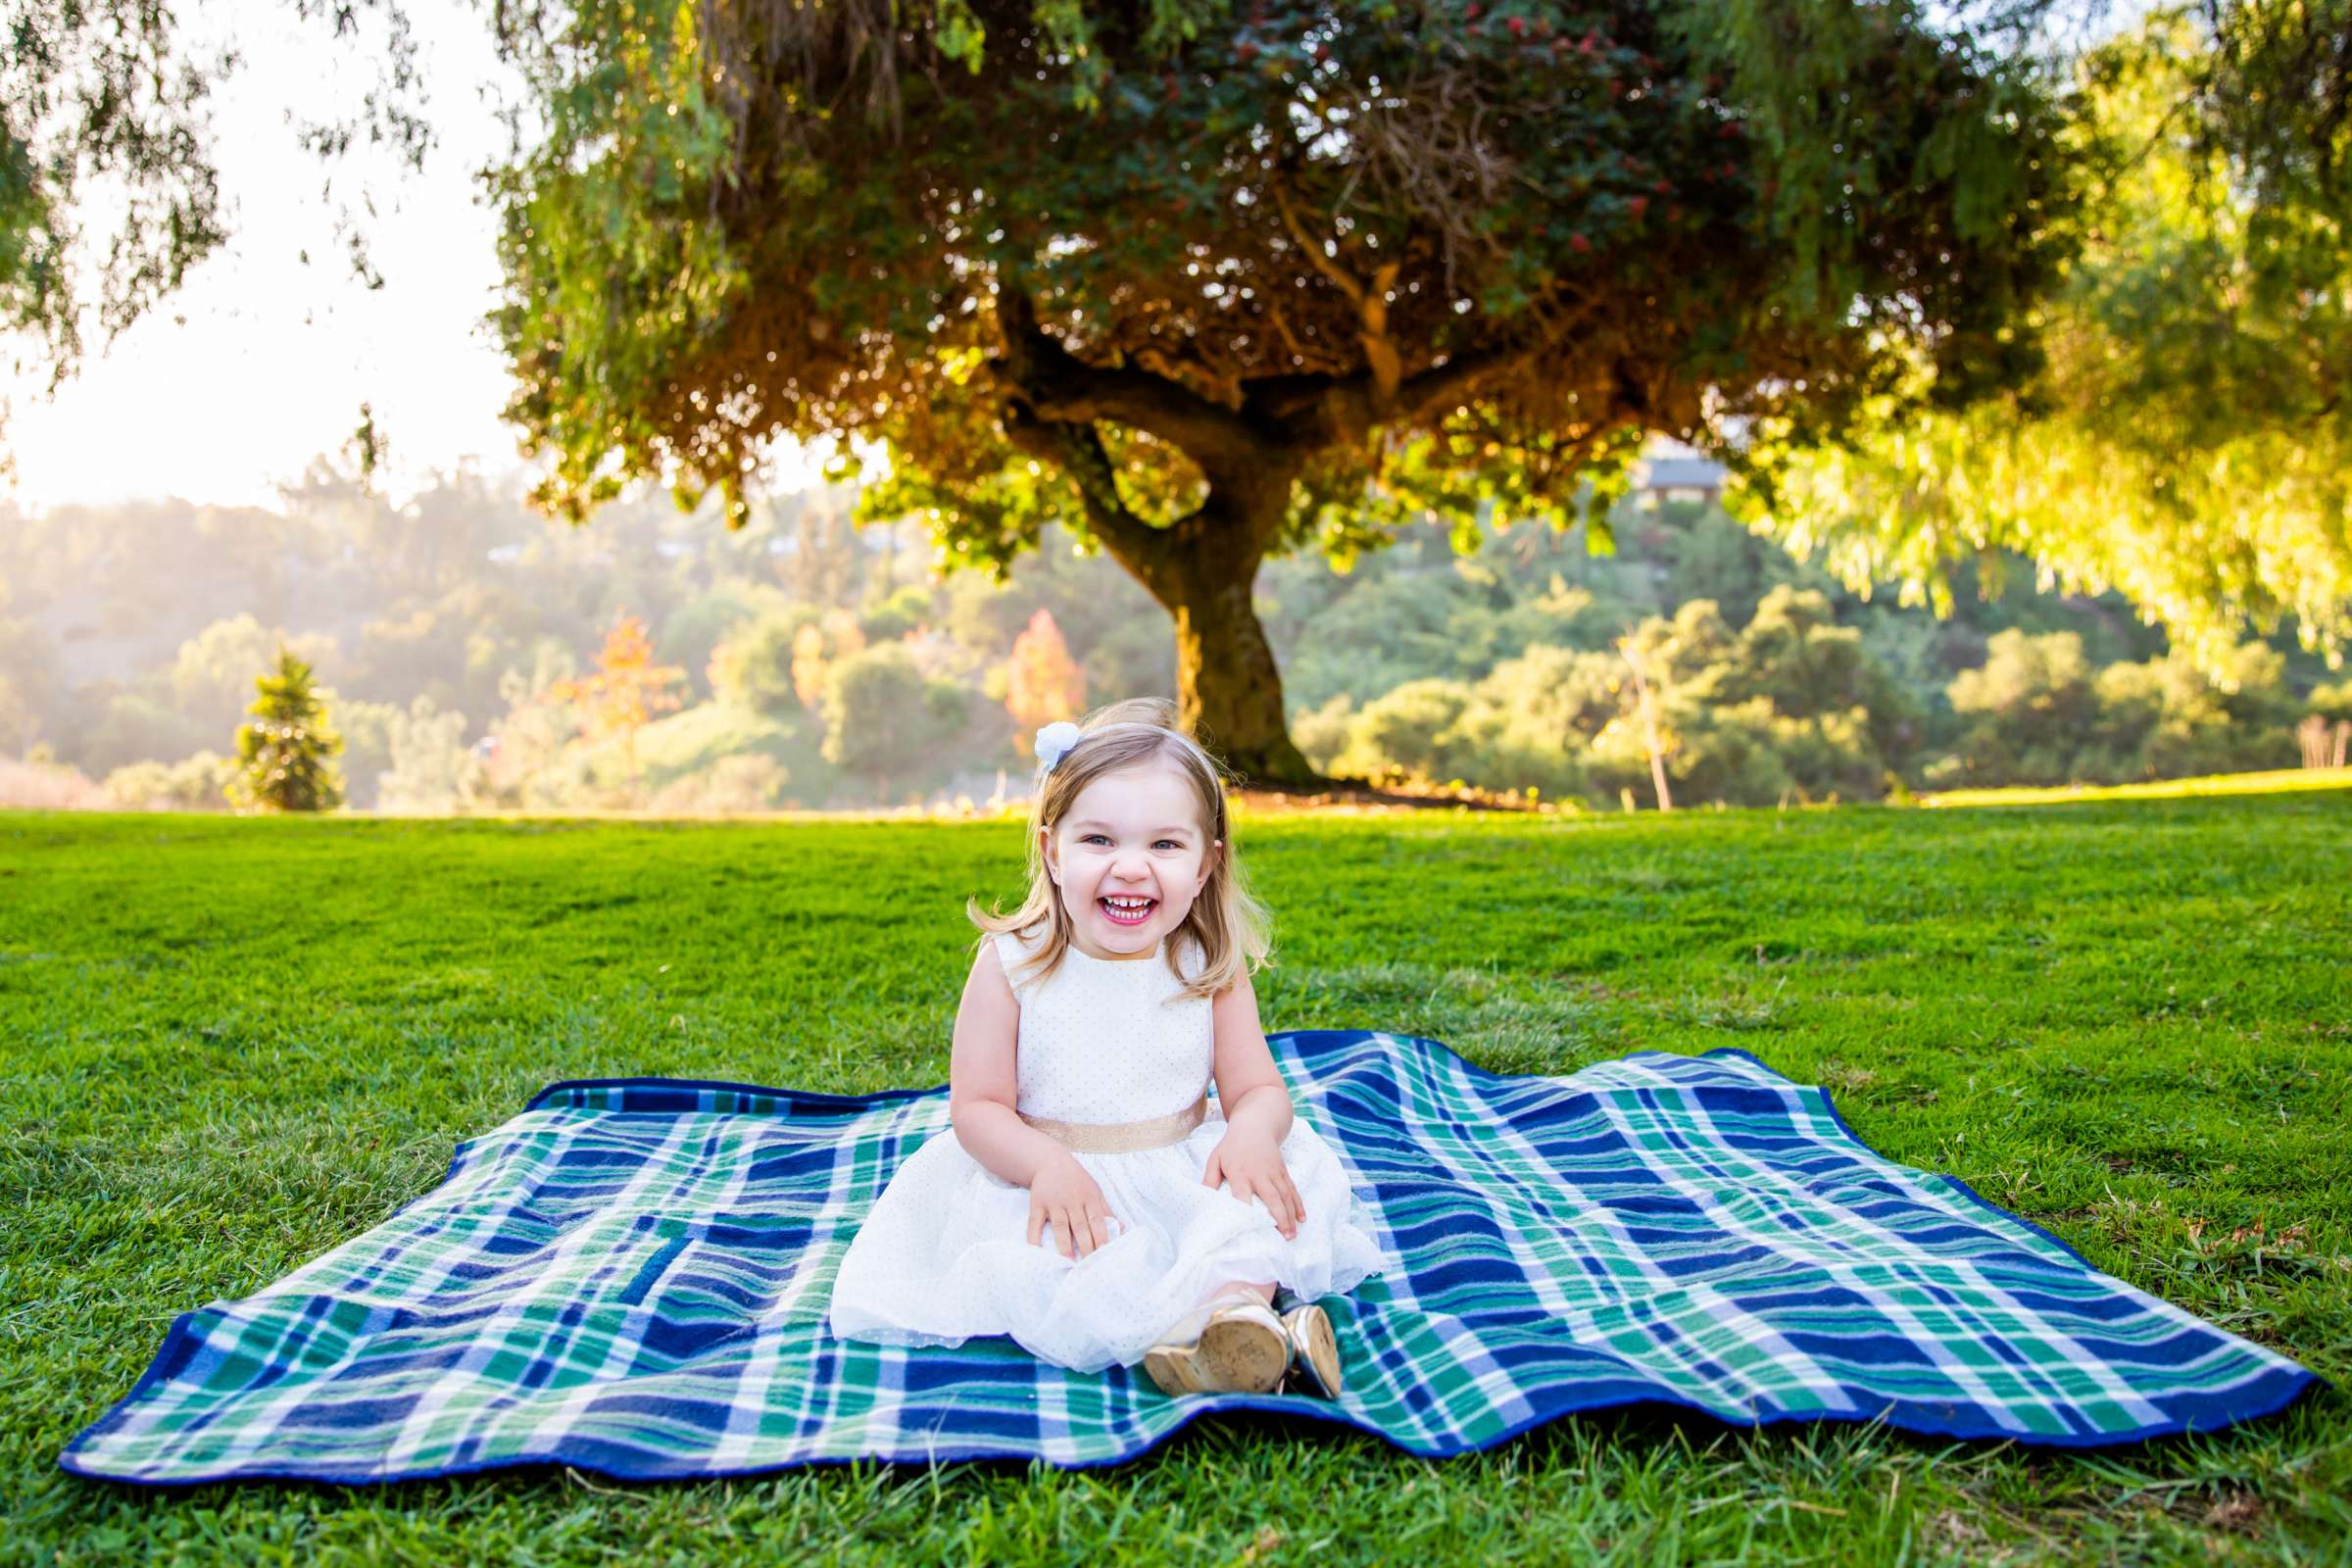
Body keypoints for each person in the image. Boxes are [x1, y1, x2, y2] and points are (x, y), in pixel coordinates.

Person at [826, 698, 1386, 1396]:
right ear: (1050, 850)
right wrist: (1044, 1166)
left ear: (1206, 865)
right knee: (1061, 1263)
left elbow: (1260, 1091)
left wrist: (1249, 1133)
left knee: (1247, 1219)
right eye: (1098, 841)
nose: (1130, 868)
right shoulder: (1014, 963)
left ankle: (1239, 1321)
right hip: (1052, 1172)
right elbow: (977, 1108)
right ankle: (1227, 1335)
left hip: (1180, 1167)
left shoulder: (1207, 962)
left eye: (1164, 845)